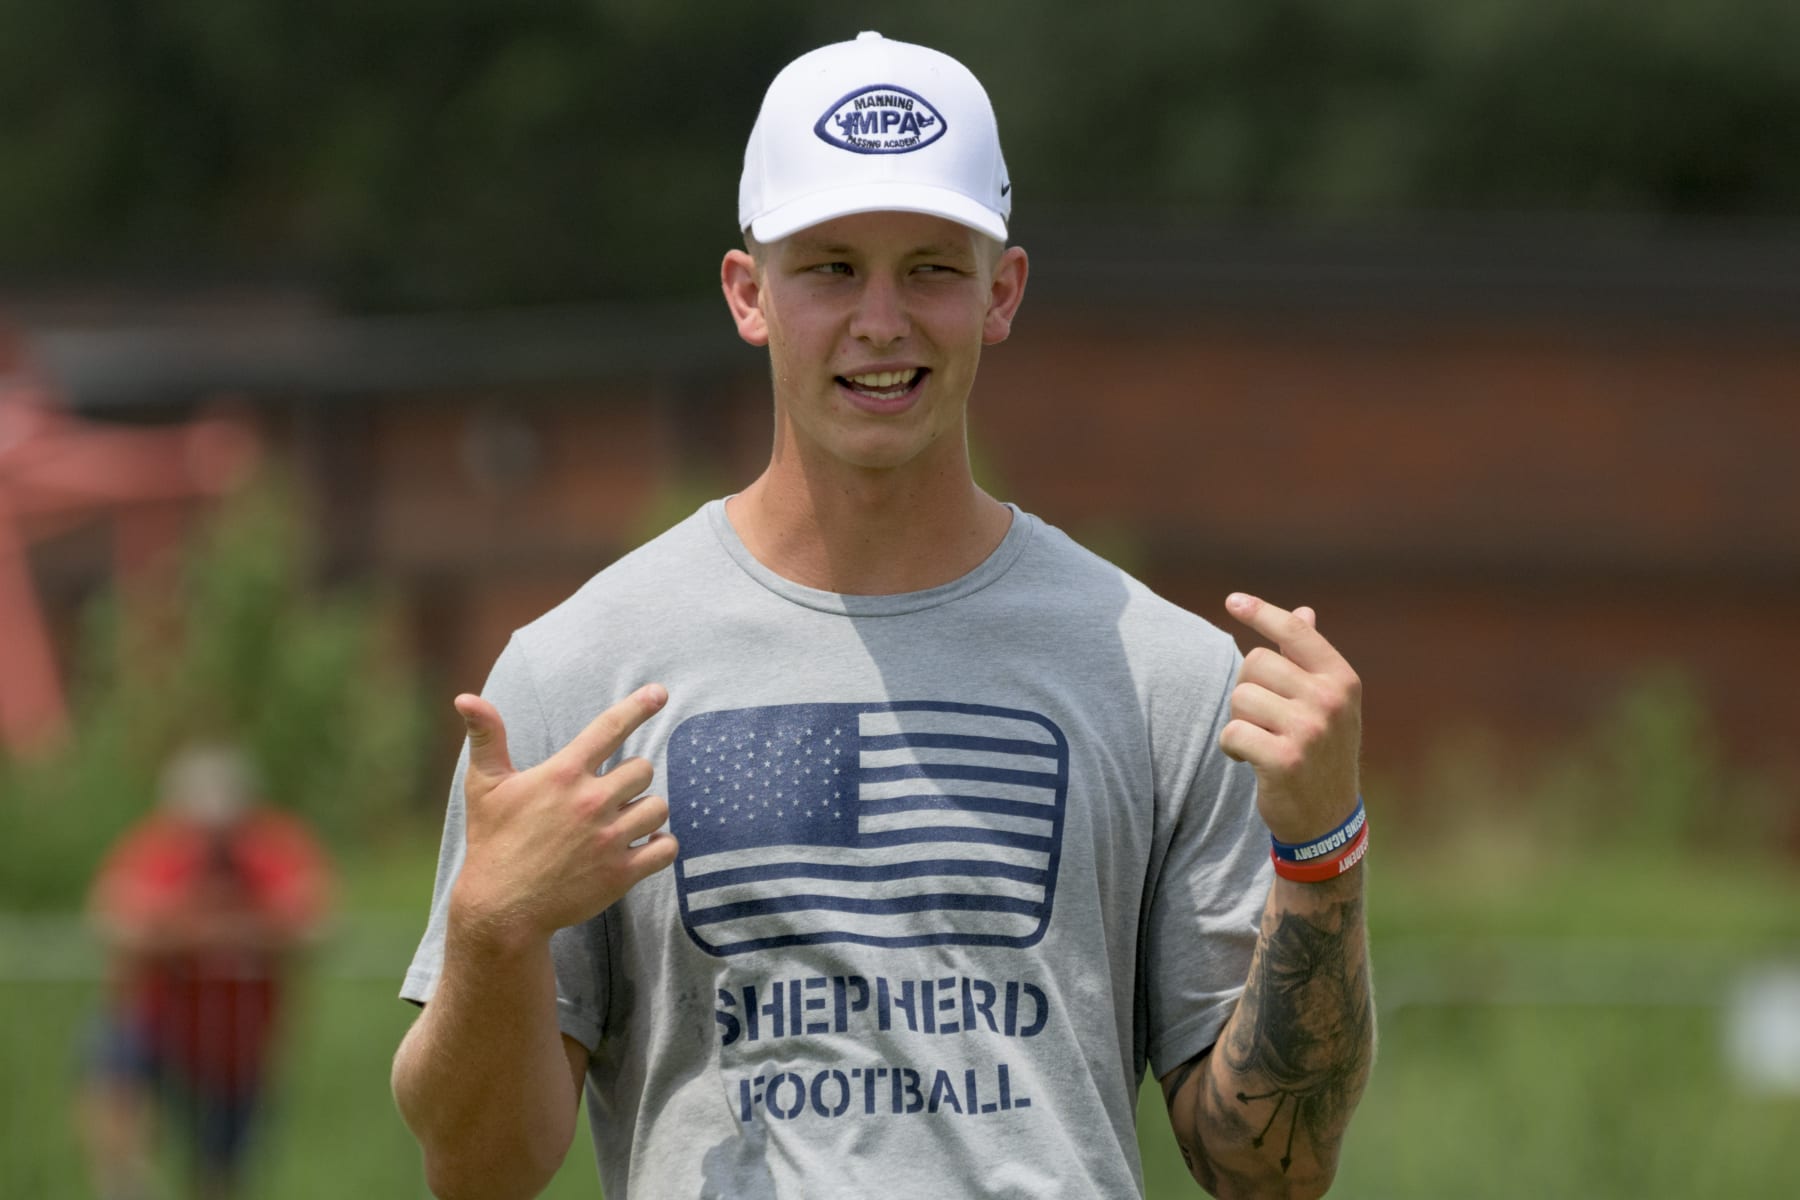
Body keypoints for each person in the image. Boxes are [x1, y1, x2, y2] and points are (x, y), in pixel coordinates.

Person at [394, 31, 1372, 1199]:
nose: (880, 318)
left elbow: (1273, 1169)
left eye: (930, 268)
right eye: (829, 268)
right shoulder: (578, 675)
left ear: (1000, 292)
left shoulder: (1165, 675)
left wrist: (1320, 852)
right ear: (748, 294)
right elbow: (480, 1170)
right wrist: (493, 933)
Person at [80, 744, 332, 1200]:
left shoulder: (272, 851)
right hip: (158, 1025)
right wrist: (213, 930)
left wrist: (207, 930)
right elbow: (116, 919)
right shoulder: (158, 850)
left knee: (220, 1174)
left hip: (238, 1046)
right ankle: (125, 1183)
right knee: (110, 1061)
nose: (214, 837)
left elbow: (314, 923)